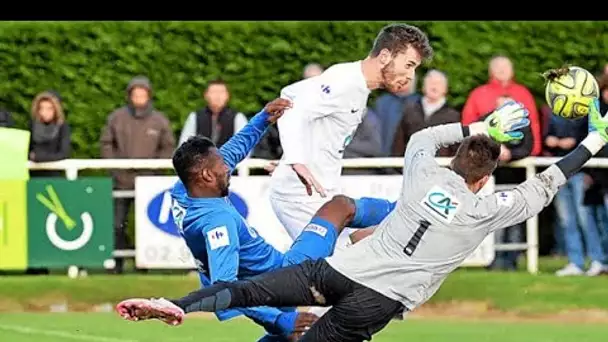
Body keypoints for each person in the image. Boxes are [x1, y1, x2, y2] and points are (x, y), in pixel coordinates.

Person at [118, 99, 608, 340]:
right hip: (376, 300)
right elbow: (544, 185)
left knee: (329, 217)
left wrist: (480, 125)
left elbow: (424, 137)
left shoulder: (420, 170)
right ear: (484, 179)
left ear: (452, 158)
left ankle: (176, 304)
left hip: (336, 273)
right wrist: (592, 144)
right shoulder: (484, 211)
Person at [168, 97, 395, 341]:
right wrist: (277, 319)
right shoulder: (217, 221)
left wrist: (262, 120)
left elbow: (233, 151)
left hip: (266, 285)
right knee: (339, 207)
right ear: (206, 175)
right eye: (222, 165)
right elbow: (224, 287)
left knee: (294, 335)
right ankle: (407, 209)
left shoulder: (184, 190)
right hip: (285, 277)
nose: (227, 167)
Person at [268, 23, 433, 249]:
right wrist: (296, 160)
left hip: (322, 194)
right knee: (341, 271)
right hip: (298, 197)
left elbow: (291, 92)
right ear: (385, 56)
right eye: (409, 65)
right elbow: (291, 107)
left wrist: (294, 156)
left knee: (359, 257)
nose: (411, 75)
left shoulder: (357, 86)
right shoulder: (344, 82)